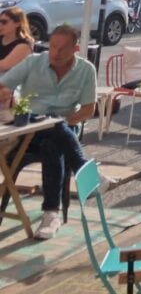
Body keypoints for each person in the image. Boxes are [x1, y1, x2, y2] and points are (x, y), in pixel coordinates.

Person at [0, 25, 111, 240]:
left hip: (66, 126)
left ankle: (51, 215)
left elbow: (88, 110)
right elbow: (3, 84)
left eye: (62, 48)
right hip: (29, 127)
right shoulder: (34, 62)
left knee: (55, 136)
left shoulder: (86, 70)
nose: (55, 53)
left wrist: (59, 122)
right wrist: (4, 94)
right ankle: (82, 178)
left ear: (75, 48)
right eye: (52, 47)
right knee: (53, 129)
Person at [0, 7, 34, 72]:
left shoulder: (25, 44)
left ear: (17, 23)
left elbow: (4, 65)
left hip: (11, 79)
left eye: (4, 22)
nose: (0, 25)